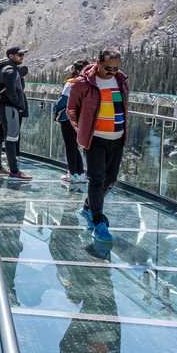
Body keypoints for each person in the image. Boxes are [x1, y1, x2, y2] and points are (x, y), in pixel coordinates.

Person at [67, 48, 129, 243]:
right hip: (95, 139)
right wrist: (81, 129)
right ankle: (98, 220)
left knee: (110, 179)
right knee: (96, 178)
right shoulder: (83, 83)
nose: (112, 72)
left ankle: (88, 206)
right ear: (98, 62)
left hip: (117, 137)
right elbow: (72, 109)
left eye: (116, 68)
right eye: (108, 68)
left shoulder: (120, 80)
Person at [0, 46, 32, 181]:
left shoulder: (5, 69)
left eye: (22, 55)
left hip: (0, 107)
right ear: (11, 56)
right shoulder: (10, 71)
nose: (22, 57)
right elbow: (11, 91)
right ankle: (14, 171)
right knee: (11, 138)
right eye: (19, 55)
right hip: (9, 108)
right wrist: (19, 105)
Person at [54, 59, 90, 184]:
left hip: (68, 118)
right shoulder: (89, 83)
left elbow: (63, 101)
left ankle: (72, 173)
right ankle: (80, 173)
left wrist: (55, 110)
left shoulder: (72, 83)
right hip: (82, 119)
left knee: (70, 146)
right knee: (75, 146)